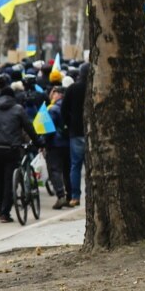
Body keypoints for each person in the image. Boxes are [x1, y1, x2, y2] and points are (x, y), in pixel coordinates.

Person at [0, 83, 36, 223]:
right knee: (9, 181)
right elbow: (29, 127)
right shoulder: (18, 109)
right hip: (12, 149)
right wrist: (38, 141)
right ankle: (5, 212)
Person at [61, 66, 88, 206]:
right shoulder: (95, 88)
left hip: (75, 131)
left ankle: (75, 197)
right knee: (92, 166)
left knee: (75, 165)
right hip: (92, 132)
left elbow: (63, 109)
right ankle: (92, 194)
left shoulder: (72, 89)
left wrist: (67, 125)